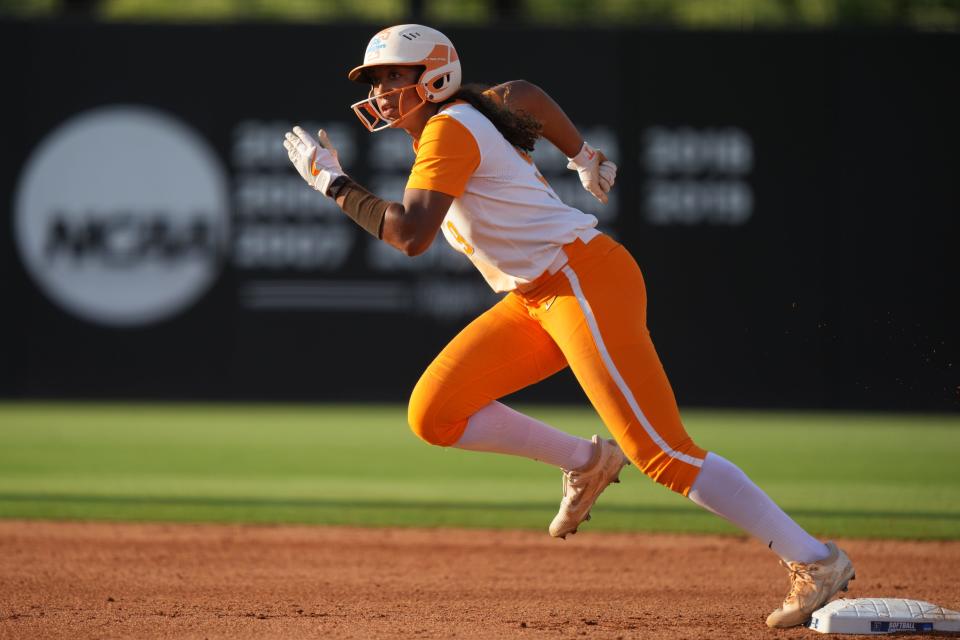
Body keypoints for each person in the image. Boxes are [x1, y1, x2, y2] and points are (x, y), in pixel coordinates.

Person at [283, 24, 855, 629]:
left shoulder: (450, 127)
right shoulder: (466, 115)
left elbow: (409, 235)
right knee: (434, 413)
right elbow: (523, 94)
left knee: (662, 452)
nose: (382, 89)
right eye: (376, 79)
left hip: (582, 280)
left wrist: (332, 183)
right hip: (536, 295)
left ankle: (815, 560)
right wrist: (583, 156)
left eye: (394, 75)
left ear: (435, 77)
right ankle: (586, 461)